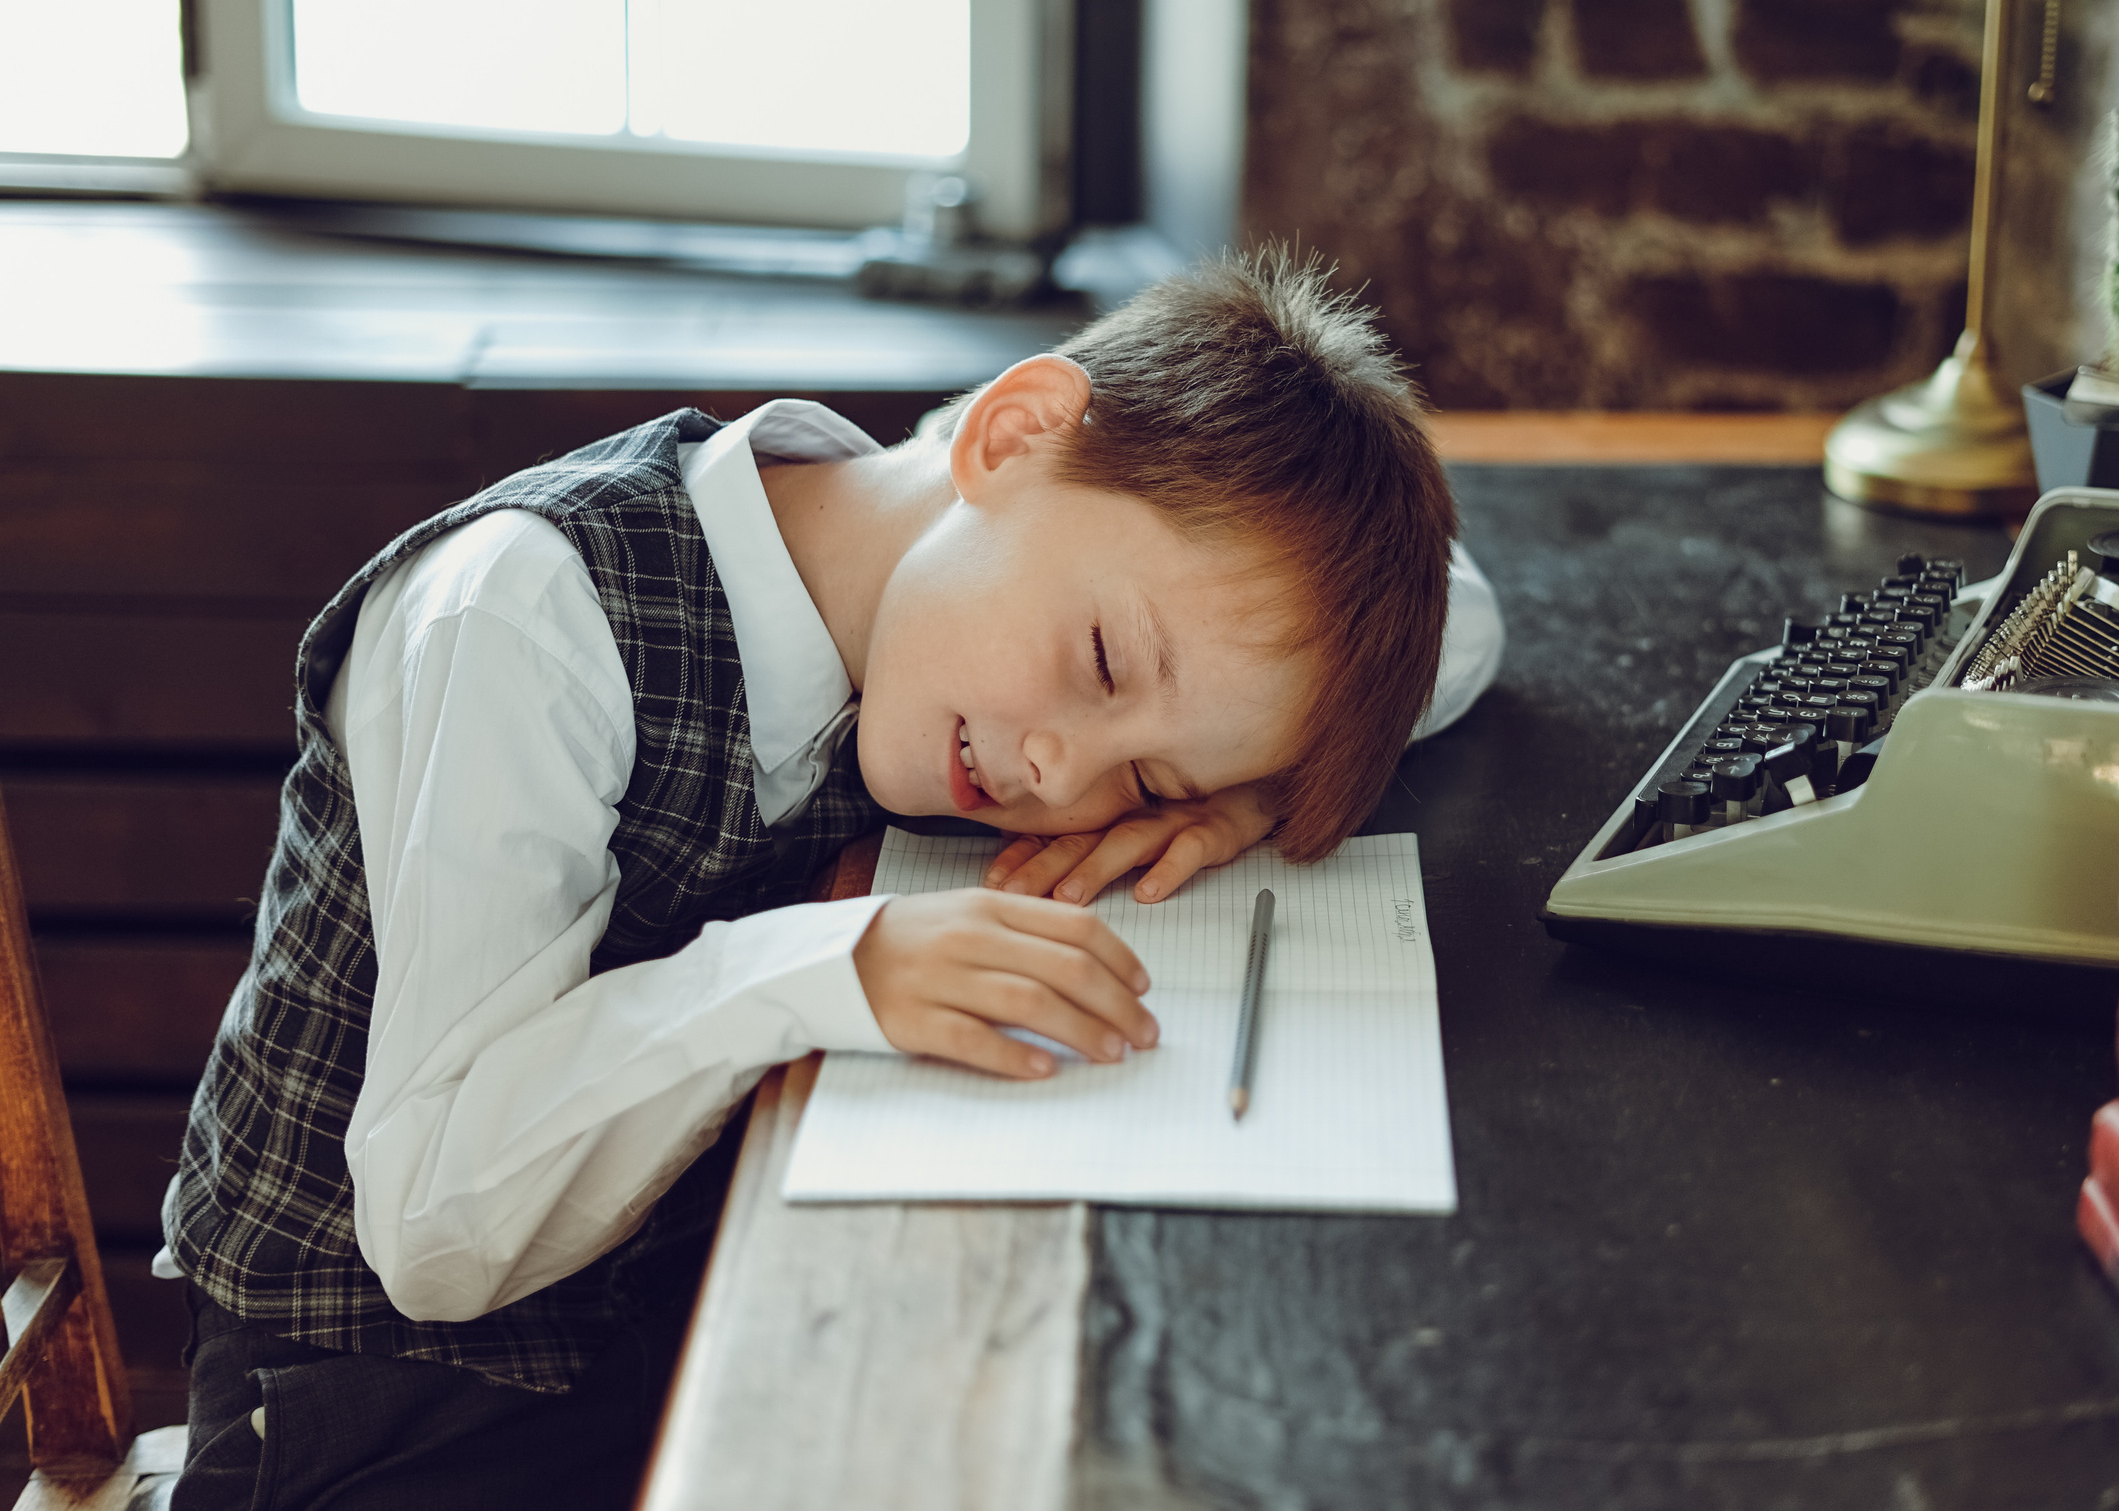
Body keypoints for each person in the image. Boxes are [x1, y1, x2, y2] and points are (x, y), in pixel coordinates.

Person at [161, 250, 1503, 1510]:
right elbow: (435, 1233)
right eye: (1103, 663)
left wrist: (1253, 782)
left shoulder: (967, 565)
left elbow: (1465, 620)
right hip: (374, 1409)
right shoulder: (529, 616)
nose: (1061, 773)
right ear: (1011, 435)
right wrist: (826, 964)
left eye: (1142, 781)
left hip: (690, 1312)